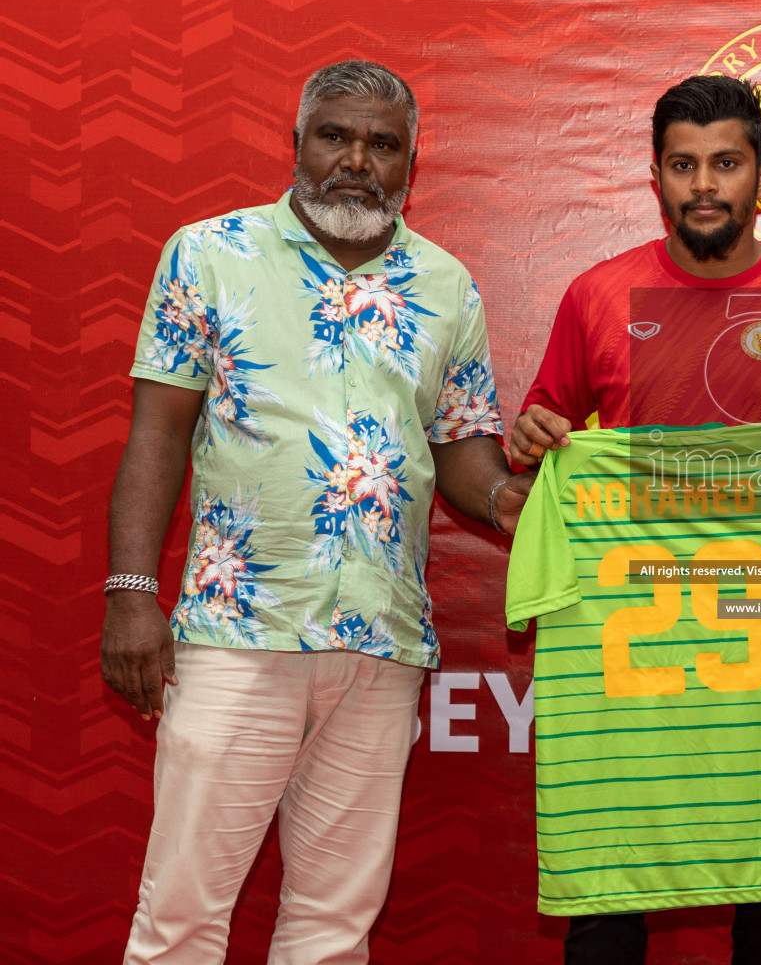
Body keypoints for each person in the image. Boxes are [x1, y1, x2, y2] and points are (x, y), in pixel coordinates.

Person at [101, 59, 530, 964]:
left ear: (414, 161)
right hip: (235, 635)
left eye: (383, 144)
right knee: (180, 920)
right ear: (296, 143)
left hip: (380, 643)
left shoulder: (448, 286)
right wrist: (132, 592)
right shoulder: (208, 253)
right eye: (335, 136)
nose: (356, 161)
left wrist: (508, 500)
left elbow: (459, 452)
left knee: (334, 928)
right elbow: (158, 435)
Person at [511, 74, 761, 965]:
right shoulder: (596, 296)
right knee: (607, 910)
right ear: (656, 176)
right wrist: (536, 435)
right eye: (684, 165)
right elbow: (541, 433)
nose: (705, 185)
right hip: (625, 661)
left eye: (726, 163)